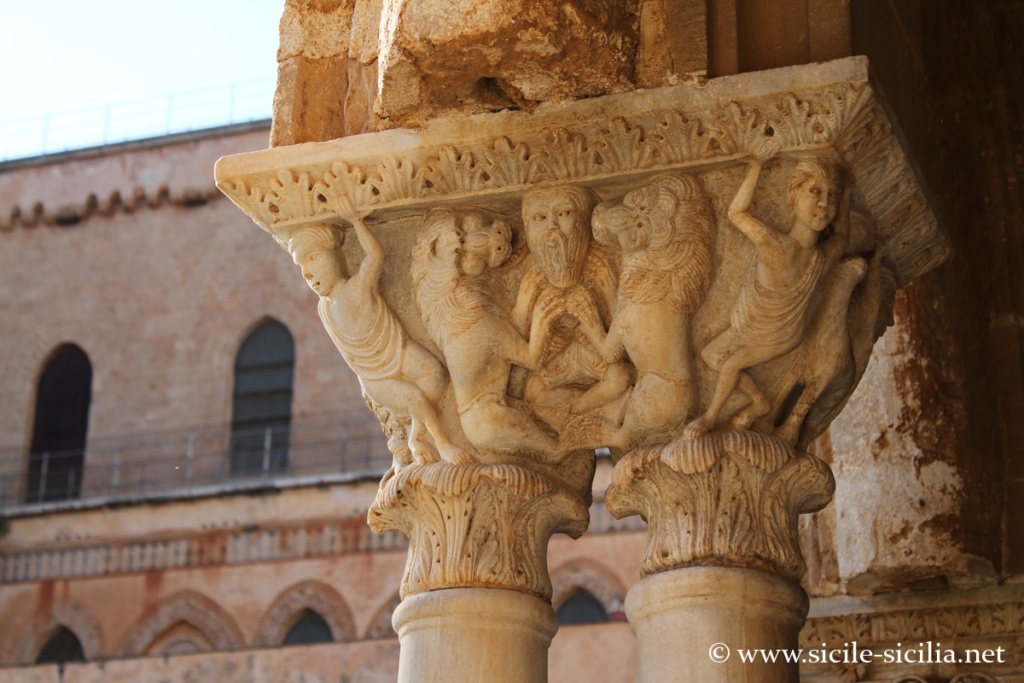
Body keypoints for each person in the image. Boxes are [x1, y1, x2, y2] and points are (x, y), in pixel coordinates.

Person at [684, 155, 850, 438]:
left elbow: (736, 212)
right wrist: (756, 167)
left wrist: (756, 166)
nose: (824, 203)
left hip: (782, 333)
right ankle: (759, 402)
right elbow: (736, 214)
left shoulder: (818, 257)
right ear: (792, 196)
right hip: (751, 324)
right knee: (710, 355)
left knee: (732, 363)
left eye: (831, 195)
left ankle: (709, 418)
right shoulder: (775, 244)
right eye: (815, 191)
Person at [289, 218, 470, 465]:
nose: (307, 273)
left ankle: (415, 435)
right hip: (375, 377)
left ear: (336, 254)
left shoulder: (356, 288)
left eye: (312, 258)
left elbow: (375, 255)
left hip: (397, 350)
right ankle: (442, 444)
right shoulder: (325, 308)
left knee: (436, 374)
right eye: (301, 266)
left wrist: (356, 220)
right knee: (414, 397)